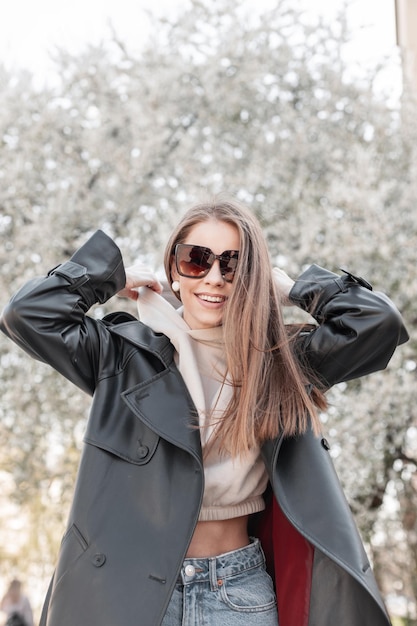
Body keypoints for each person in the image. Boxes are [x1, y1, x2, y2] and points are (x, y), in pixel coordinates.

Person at [0, 197, 408, 626]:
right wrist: (109, 279)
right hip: (134, 592)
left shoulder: (280, 361)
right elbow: (28, 314)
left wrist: (289, 288)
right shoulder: (123, 357)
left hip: (238, 592)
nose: (214, 278)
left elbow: (377, 323)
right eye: (197, 260)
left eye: (233, 265)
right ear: (174, 268)